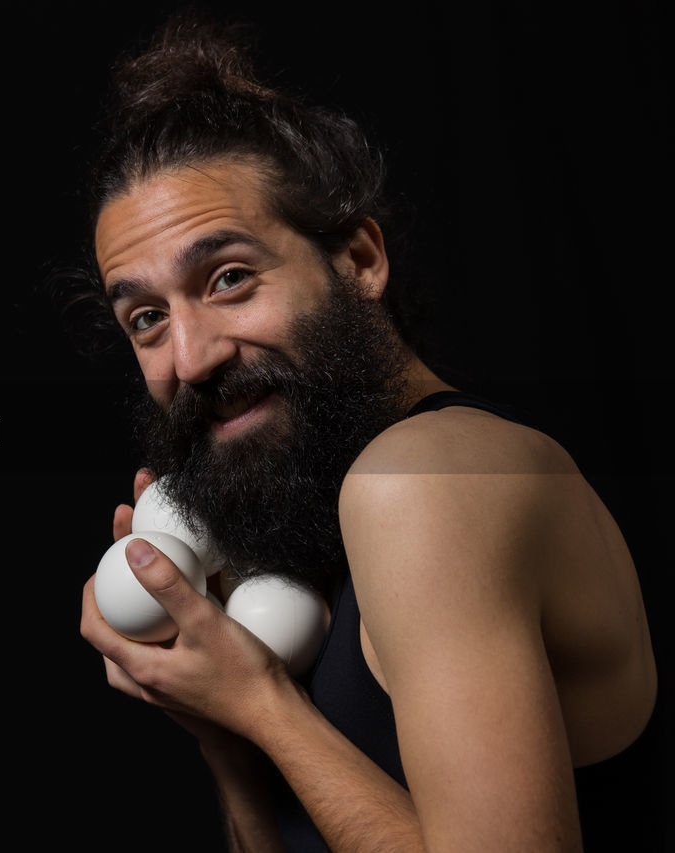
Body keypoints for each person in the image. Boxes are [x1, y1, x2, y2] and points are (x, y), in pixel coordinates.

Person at [74, 12, 659, 852]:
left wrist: (263, 706)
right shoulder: (326, 506)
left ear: (357, 260)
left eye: (230, 278)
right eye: (147, 318)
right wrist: (222, 726)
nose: (190, 356)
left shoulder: (428, 478)